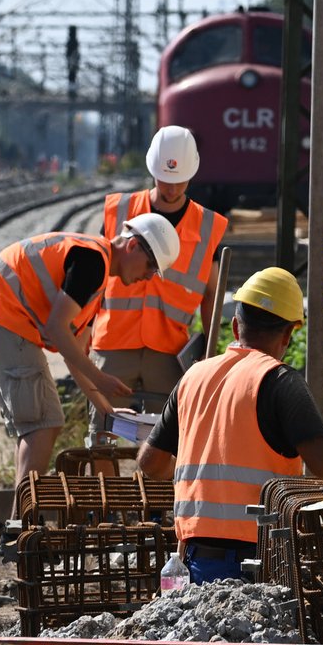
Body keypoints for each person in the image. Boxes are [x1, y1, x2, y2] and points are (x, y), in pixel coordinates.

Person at [134, 267, 323, 583]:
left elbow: (150, 463)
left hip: (194, 560)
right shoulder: (280, 381)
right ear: (288, 334)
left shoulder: (193, 377)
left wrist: (196, 477)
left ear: (235, 326)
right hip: (258, 563)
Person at [0, 214, 175, 477]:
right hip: (3, 310)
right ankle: (21, 516)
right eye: (150, 266)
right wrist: (101, 378)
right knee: (42, 423)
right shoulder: (93, 261)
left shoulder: (97, 279)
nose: (148, 276)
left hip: (4, 313)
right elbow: (56, 328)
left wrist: (106, 408)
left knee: (43, 423)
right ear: (132, 246)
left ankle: (21, 515)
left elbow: (74, 354)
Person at [90, 126, 229, 440]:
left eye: (179, 179)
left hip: (169, 351)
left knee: (168, 441)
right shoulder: (119, 210)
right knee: (103, 435)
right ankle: (103, 490)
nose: (171, 186)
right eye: (165, 178)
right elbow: (95, 275)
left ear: (192, 173)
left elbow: (211, 295)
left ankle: (162, 492)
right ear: (152, 169)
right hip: (113, 342)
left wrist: (210, 354)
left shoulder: (207, 226)